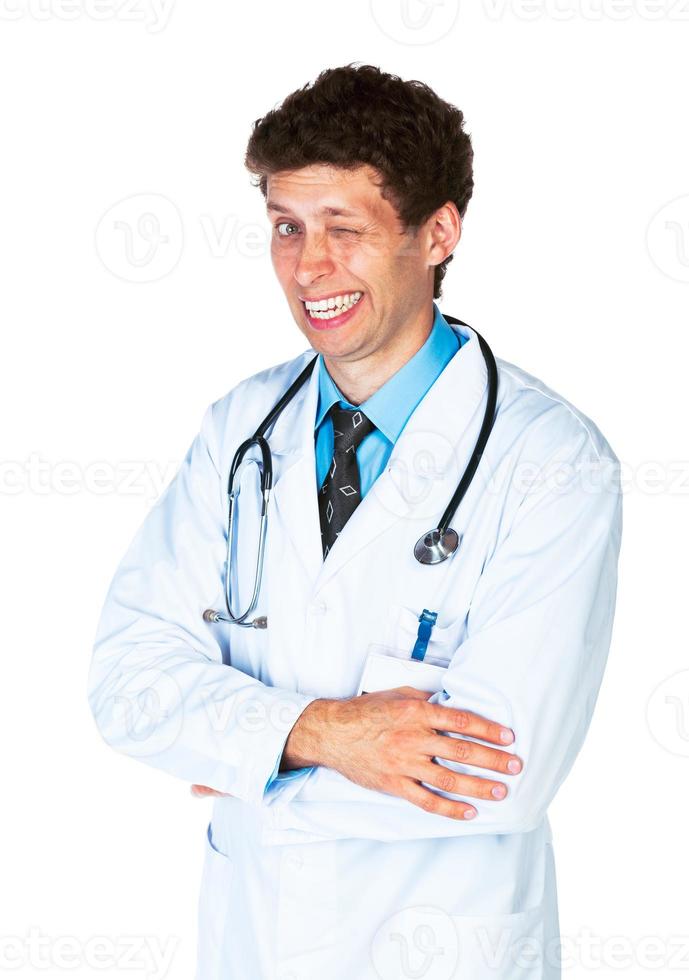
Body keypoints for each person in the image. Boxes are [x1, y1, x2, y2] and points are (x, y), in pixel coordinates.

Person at [88, 64, 622, 980]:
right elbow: (126, 684)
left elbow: (498, 778)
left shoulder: (552, 461)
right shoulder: (237, 431)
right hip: (253, 940)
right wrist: (334, 737)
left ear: (438, 232)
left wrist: (249, 758)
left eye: (345, 229)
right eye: (288, 228)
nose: (307, 267)